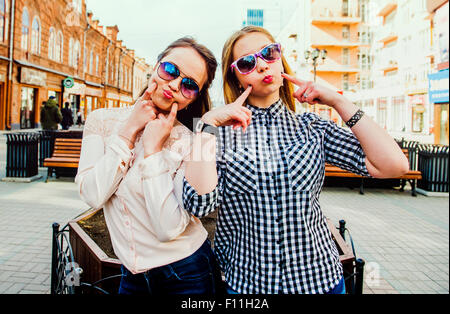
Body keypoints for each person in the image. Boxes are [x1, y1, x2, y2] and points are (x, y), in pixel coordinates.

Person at [182, 26, 410, 294]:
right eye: (247, 63)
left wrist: (338, 101)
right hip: (248, 285)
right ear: (236, 77)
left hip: (320, 281)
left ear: (280, 58)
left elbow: (394, 166)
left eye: (269, 53)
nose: (263, 66)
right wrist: (207, 124)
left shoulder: (313, 128)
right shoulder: (214, 133)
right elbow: (197, 203)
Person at [75, 37, 232, 295]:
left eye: (189, 85)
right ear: (156, 65)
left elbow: (168, 228)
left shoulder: (190, 141)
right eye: (170, 70)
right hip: (132, 276)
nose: (173, 84)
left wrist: (153, 151)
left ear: (193, 98)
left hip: (188, 273)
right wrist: (128, 133)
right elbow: (92, 195)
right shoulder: (101, 121)